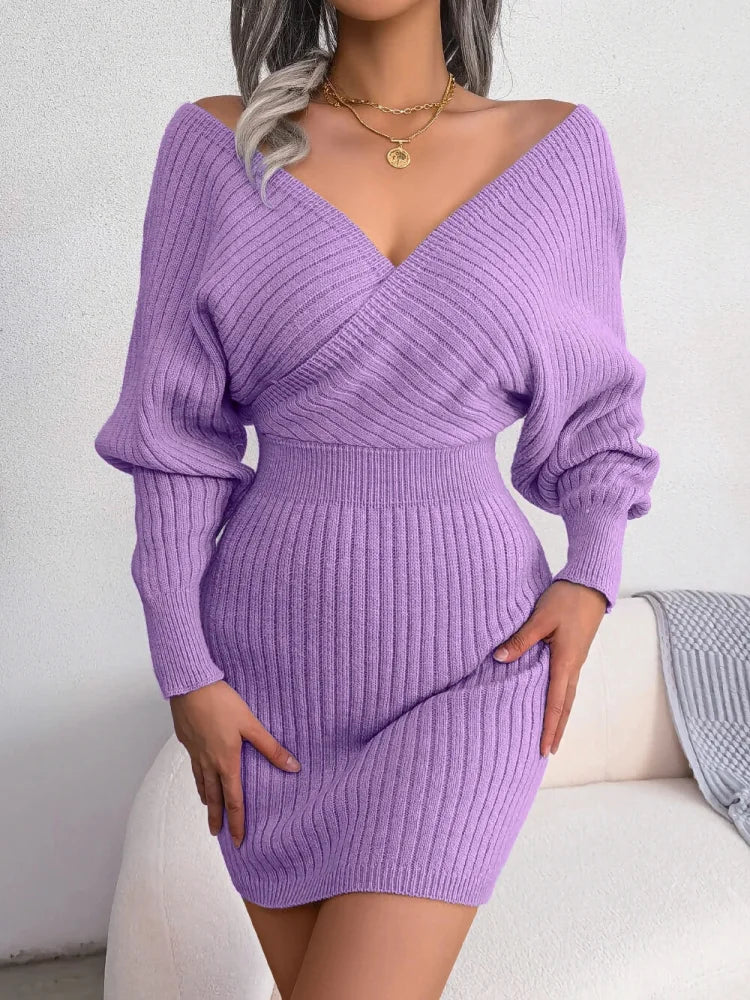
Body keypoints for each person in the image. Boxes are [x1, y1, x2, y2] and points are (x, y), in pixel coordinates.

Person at [94, 2, 660, 997]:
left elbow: (595, 411)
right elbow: (175, 441)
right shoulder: (216, 148)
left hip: (478, 663)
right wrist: (186, 669)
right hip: (268, 677)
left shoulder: (557, 151)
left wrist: (592, 571)